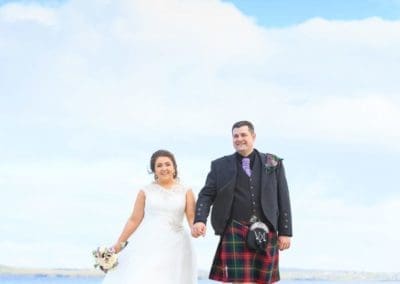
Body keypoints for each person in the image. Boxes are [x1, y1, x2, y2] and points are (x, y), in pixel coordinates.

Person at [192, 120, 292, 284]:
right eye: (235, 136)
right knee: (240, 281)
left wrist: (285, 231)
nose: (239, 139)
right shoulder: (220, 165)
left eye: (243, 135)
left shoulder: (273, 162)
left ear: (253, 136)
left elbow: (283, 198)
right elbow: (206, 195)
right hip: (235, 229)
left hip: (267, 229)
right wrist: (199, 220)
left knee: (264, 281)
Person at [102, 149, 197, 284]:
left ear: (174, 168)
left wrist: (197, 228)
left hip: (177, 246)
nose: (164, 168)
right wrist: (118, 244)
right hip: (147, 243)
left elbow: (192, 218)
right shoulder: (145, 191)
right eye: (159, 165)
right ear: (154, 170)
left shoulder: (186, 191)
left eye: (167, 164)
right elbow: (134, 220)